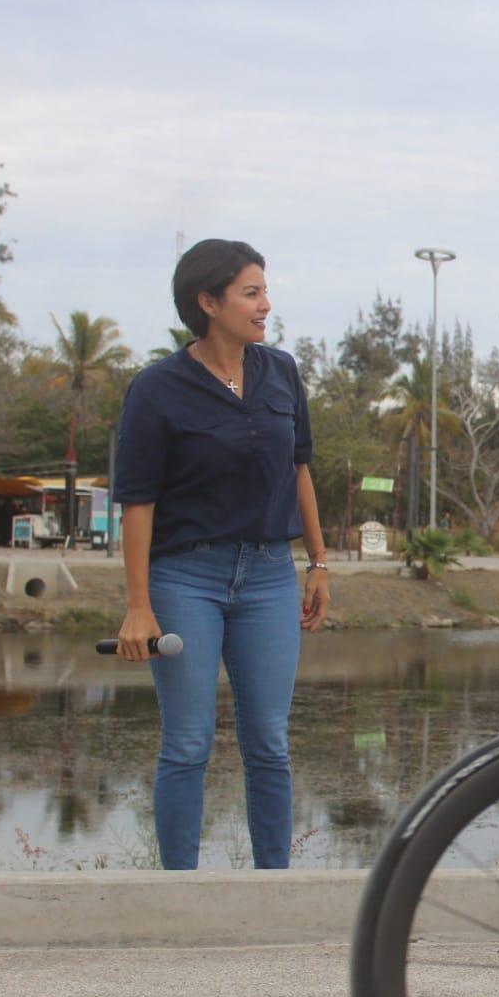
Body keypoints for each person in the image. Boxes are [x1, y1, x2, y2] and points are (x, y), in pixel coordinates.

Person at [113, 238, 331, 870]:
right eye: (252, 292)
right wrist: (138, 606)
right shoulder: (156, 389)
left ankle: (273, 889)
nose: (266, 304)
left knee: (269, 741)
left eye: (265, 290)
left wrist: (317, 563)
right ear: (208, 302)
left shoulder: (281, 372)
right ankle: (180, 894)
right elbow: (137, 503)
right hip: (186, 577)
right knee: (187, 742)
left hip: (268, 574)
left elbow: (299, 470)